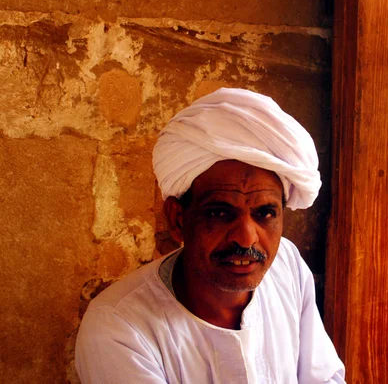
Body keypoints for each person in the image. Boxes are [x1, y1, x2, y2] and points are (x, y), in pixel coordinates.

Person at [75, 88, 346, 383]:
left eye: (265, 213)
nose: (246, 238)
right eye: (220, 213)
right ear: (178, 219)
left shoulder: (287, 268)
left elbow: (324, 377)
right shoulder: (119, 327)